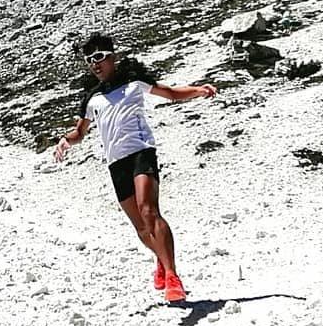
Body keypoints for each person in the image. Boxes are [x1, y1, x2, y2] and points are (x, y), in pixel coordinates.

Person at [54, 33, 217, 303]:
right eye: (89, 60)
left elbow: (171, 94)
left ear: (112, 57)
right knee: (141, 227)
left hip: (141, 152)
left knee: (149, 211)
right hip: (115, 162)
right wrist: (65, 141)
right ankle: (161, 262)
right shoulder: (91, 99)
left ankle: (173, 278)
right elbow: (80, 132)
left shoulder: (134, 82)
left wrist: (198, 90)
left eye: (99, 58)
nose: (95, 64)